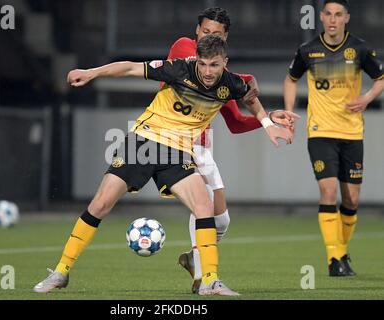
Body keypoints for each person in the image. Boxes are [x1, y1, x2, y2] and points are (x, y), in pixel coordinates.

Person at [33, 35, 293, 296]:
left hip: (178, 153)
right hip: (144, 141)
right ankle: (61, 271)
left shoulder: (231, 84)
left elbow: (250, 96)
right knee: (100, 204)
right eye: (202, 64)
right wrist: (92, 72)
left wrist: (268, 125)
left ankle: (210, 280)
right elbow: (130, 67)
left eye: (214, 65)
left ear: (224, 63)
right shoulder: (180, 69)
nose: (207, 71)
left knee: (204, 207)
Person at [166, 7, 300, 293]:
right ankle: (205, 278)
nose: (208, 38)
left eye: (216, 34)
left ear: (225, 37)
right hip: (175, 140)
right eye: (205, 32)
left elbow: (236, 123)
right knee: (202, 204)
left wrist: (270, 118)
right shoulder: (184, 48)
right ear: (196, 32)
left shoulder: (222, 79)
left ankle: (194, 258)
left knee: (221, 221)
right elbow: (191, 65)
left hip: (202, 147)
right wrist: (246, 78)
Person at [283, 0, 383, 276]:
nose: (332, 19)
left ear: (346, 18)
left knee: (351, 199)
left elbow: (381, 78)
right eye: (328, 13)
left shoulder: (360, 49)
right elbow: (290, 79)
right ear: (322, 17)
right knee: (328, 191)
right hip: (320, 132)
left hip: (352, 132)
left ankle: (341, 254)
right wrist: (289, 112)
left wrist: (366, 98)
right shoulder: (308, 50)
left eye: (338, 14)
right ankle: (334, 260)